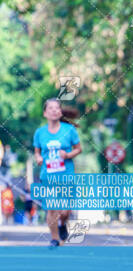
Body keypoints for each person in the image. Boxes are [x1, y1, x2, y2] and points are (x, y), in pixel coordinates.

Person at [33, 98, 82, 247]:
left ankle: (62, 223)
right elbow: (37, 152)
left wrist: (67, 155)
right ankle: (54, 238)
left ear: (60, 112)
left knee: (65, 211)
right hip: (48, 175)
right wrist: (39, 158)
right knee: (52, 207)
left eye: (57, 108)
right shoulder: (40, 133)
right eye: (51, 108)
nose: (54, 110)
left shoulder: (69, 130)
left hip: (66, 175)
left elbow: (78, 149)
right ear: (45, 113)